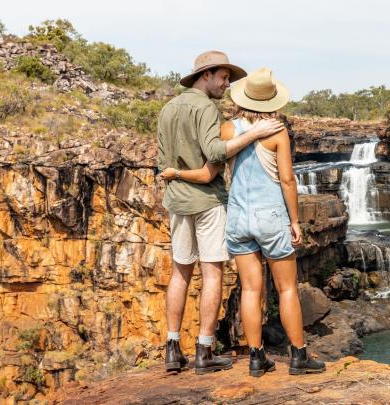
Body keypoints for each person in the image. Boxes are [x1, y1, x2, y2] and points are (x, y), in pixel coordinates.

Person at [161, 67, 325, 377]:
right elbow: (287, 180)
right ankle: (299, 356)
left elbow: (215, 164)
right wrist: (295, 221)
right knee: (286, 288)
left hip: (237, 217)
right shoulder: (276, 131)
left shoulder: (226, 129)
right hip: (271, 216)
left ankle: (255, 356)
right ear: (272, 101)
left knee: (251, 289)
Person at [156, 51, 284, 374]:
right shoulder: (206, 108)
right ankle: (204, 350)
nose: (227, 84)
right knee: (212, 273)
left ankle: (172, 350)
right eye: (224, 77)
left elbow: (163, 163)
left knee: (180, 273)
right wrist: (253, 134)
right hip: (208, 203)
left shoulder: (168, 109)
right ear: (206, 75)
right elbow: (214, 154)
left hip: (177, 202)